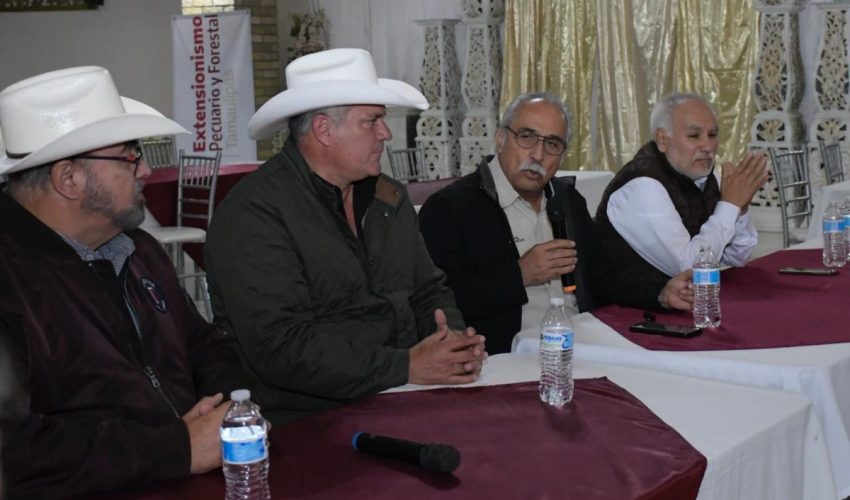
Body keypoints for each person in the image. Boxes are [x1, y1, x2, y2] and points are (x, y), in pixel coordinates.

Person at [0, 66, 251, 498]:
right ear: (68, 179)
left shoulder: (139, 250)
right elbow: (15, 449)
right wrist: (176, 448)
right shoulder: (11, 279)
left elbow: (204, 345)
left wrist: (227, 407)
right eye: (129, 156)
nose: (147, 170)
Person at [204, 48, 486, 424]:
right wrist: (406, 366)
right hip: (305, 421)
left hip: (402, 399)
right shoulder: (254, 214)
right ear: (324, 130)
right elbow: (281, 348)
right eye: (372, 121)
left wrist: (451, 342)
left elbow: (428, 290)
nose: (386, 134)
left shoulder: (388, 197)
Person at [418, 92, 693, 354]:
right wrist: (519, 275)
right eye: (526, 137)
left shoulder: (566, 199)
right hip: (505, 358)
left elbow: (603, 275)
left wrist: (660, 291)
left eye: (552, 144)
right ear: (500, 138)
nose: (538, 155)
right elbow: (439, 304)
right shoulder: (450, 209)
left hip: (583, 345)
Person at [595, 93, 768, 284]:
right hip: (627, 302)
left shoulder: (704, 176)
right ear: (662, 140)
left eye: (712, 135)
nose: (708, 146)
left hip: (688, 298)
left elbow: (737, 258)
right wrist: (729, 205)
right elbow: (691, 269)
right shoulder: (642, 187)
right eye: (694, 136)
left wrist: (740, 208)